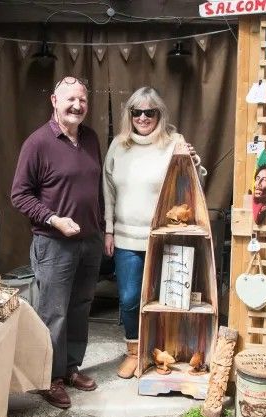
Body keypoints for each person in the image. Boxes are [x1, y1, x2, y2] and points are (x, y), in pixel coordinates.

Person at [11, 76, 104, 409]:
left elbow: (96, 190)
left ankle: (71, 367)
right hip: (53, 243)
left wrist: (103, 228)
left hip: (89, 241)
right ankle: (49, 378)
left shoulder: (91, 138)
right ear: (54, 100)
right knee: (54, 314)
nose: (77, 106)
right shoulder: (37, 143)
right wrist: (53, 219)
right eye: (70, 100)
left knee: (80, 308)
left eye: (82, 99)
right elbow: (19, 196)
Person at [103, 86, 205, 379]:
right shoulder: (119, 145)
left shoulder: (174, 142)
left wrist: (195, 164)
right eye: (137, 112)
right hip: (126, 236)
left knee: (166, 296)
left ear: (159, 114)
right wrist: (108, 229)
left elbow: (191, 183)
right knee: (130, 297)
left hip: (165, 235)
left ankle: (163, 353)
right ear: (130, 114)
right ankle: (134, 352)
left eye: (150, 112)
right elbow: (107, 191)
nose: (144, 117)